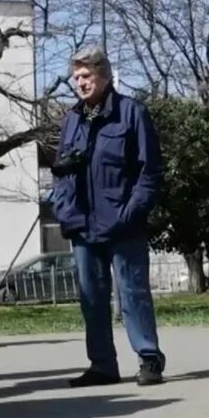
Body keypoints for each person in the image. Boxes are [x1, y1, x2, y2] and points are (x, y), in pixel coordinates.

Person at [52, 45, 166, 387]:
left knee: (133, 294)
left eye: (86, 76)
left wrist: (131, 213)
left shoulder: (131, 113)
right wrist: (64, 208)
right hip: (82, 225)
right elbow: (61, 170)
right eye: (76, 78)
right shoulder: (72, 118)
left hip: (122, 224)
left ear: (103, 74)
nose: (80, 83)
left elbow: (150, 172)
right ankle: (102, 365)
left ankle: (149, 358)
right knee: (92, 300)